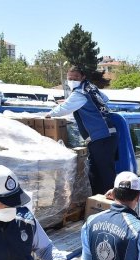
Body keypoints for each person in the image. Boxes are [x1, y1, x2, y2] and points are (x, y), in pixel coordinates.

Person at [47, 65, 117, 195]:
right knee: (96, 172)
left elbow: (64, 109)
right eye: (70, 78)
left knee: (104, 175)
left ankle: (110, 204)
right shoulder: (90, 88)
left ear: (83, 77)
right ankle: (98, 201)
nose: (72, 80)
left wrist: (49, 115)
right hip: (107, 136)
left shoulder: (80, 93)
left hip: (101, 137)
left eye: (76, 78)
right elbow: (105, 99)